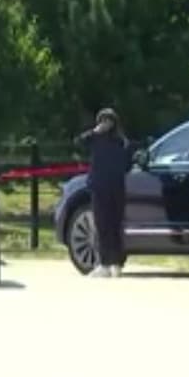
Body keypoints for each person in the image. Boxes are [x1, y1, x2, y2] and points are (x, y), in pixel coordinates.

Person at [76, 108, 132, 278]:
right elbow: (79, 142)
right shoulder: (95, 138)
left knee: (115, 225)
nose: (105, 124)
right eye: (102, 120)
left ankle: (116, 262)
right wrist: (94, 132)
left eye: (108, 121)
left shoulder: (121, 142)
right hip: (99, 187)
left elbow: (127, 164)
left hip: (115, 187)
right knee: (102, 225)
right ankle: (104, 263)